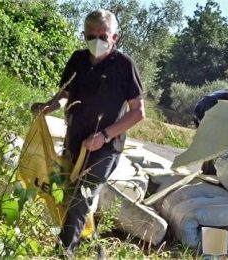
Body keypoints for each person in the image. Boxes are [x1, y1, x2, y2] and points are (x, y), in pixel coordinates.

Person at [31, 9, 145, 257]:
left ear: (115, 36)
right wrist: (46, 107)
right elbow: (64, 96)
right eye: (90, 36)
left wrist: (104, 136)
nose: (97, 41)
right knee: (71, 197)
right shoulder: (78, 60)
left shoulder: (125, 66)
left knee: (80, 198)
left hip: (105, 149)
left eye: (103, 36)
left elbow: (138, 112)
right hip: (75, 142)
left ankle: (62, 254)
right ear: (83, 35)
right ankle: (94, 248)